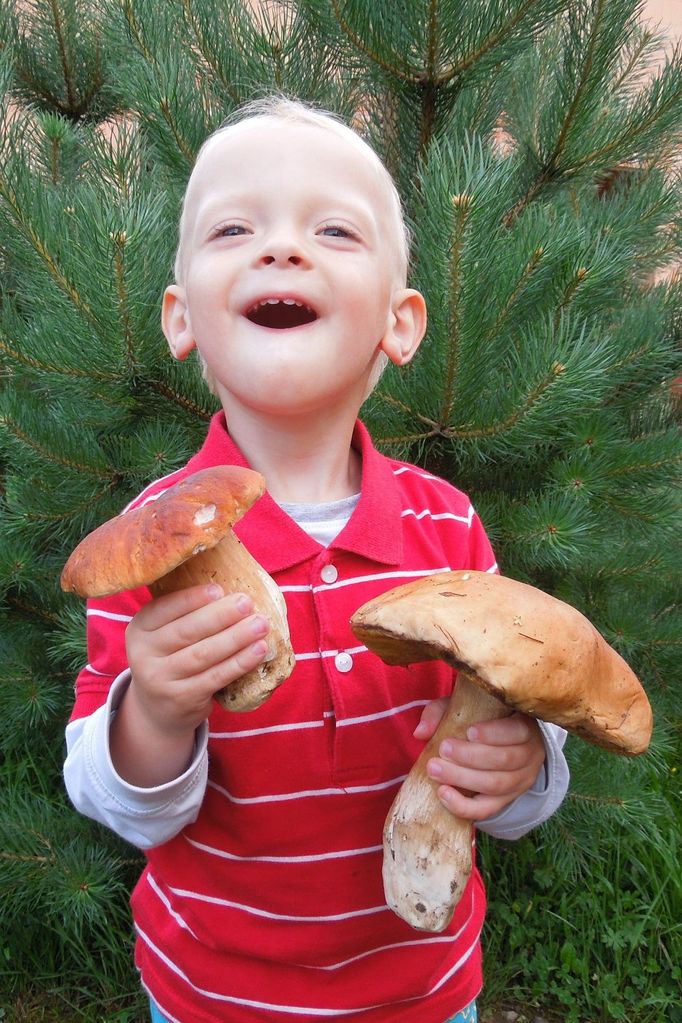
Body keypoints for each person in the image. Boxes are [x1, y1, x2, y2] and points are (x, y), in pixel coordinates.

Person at [64, 96, 569, 1023]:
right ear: (180, 319)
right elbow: (116, 803)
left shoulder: (448, 525)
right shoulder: (146, 543)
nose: (281, 248)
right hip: (213, 994)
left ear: (401, 323)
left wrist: (525, 769)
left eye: (332, 228)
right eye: (235, 227)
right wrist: (157, 711)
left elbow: (528, 701)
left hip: (421, 990)